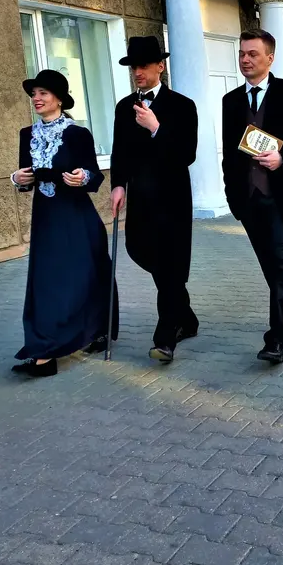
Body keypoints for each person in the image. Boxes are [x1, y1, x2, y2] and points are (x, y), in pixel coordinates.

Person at [221, 29, 283, 365]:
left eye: (252, 54)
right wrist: (232, 195)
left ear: (270, 57)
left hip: (282, 196)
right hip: (248, 200)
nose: (245, 60)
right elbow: (228, 154)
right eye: (242, 54)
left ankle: (276, 338)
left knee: (281, 265)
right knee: (269, 267)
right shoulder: (231, 101)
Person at [11, 70, 117, 377]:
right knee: (46, 281)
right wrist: (17, 179)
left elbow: (94, 176)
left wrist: (81, 177)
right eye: (34, 94)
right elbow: (26, 178)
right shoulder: (26, 134)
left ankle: (97, 329)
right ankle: (44, 350)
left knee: (85, 275)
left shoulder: (77, 134)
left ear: (59, 98)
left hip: (75, 216)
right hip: (46, 216)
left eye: (43, 93)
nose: (37, 99)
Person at [109, 36, 199, 365]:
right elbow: (119, 152)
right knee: (145, 253)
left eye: (144, 66)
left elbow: (186, 154)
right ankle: (186, 318)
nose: (138, 72)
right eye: (134, 66)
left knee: (171, 265)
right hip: (142, 199)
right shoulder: (124, 107)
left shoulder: (182, 106)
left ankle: (166, 336)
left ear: (160, 66)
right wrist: (118, 185)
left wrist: (156, 127)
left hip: (173, 198)